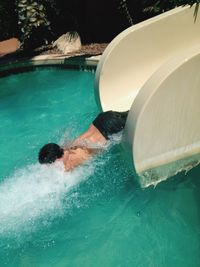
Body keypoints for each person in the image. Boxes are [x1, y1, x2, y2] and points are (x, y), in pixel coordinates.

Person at [38, 110, 129, 171]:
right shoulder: (65, 148)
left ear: (57, 159)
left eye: (51, 163)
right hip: (101, 120)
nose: (51, 166)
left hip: (109, 128)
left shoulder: (67, 165)